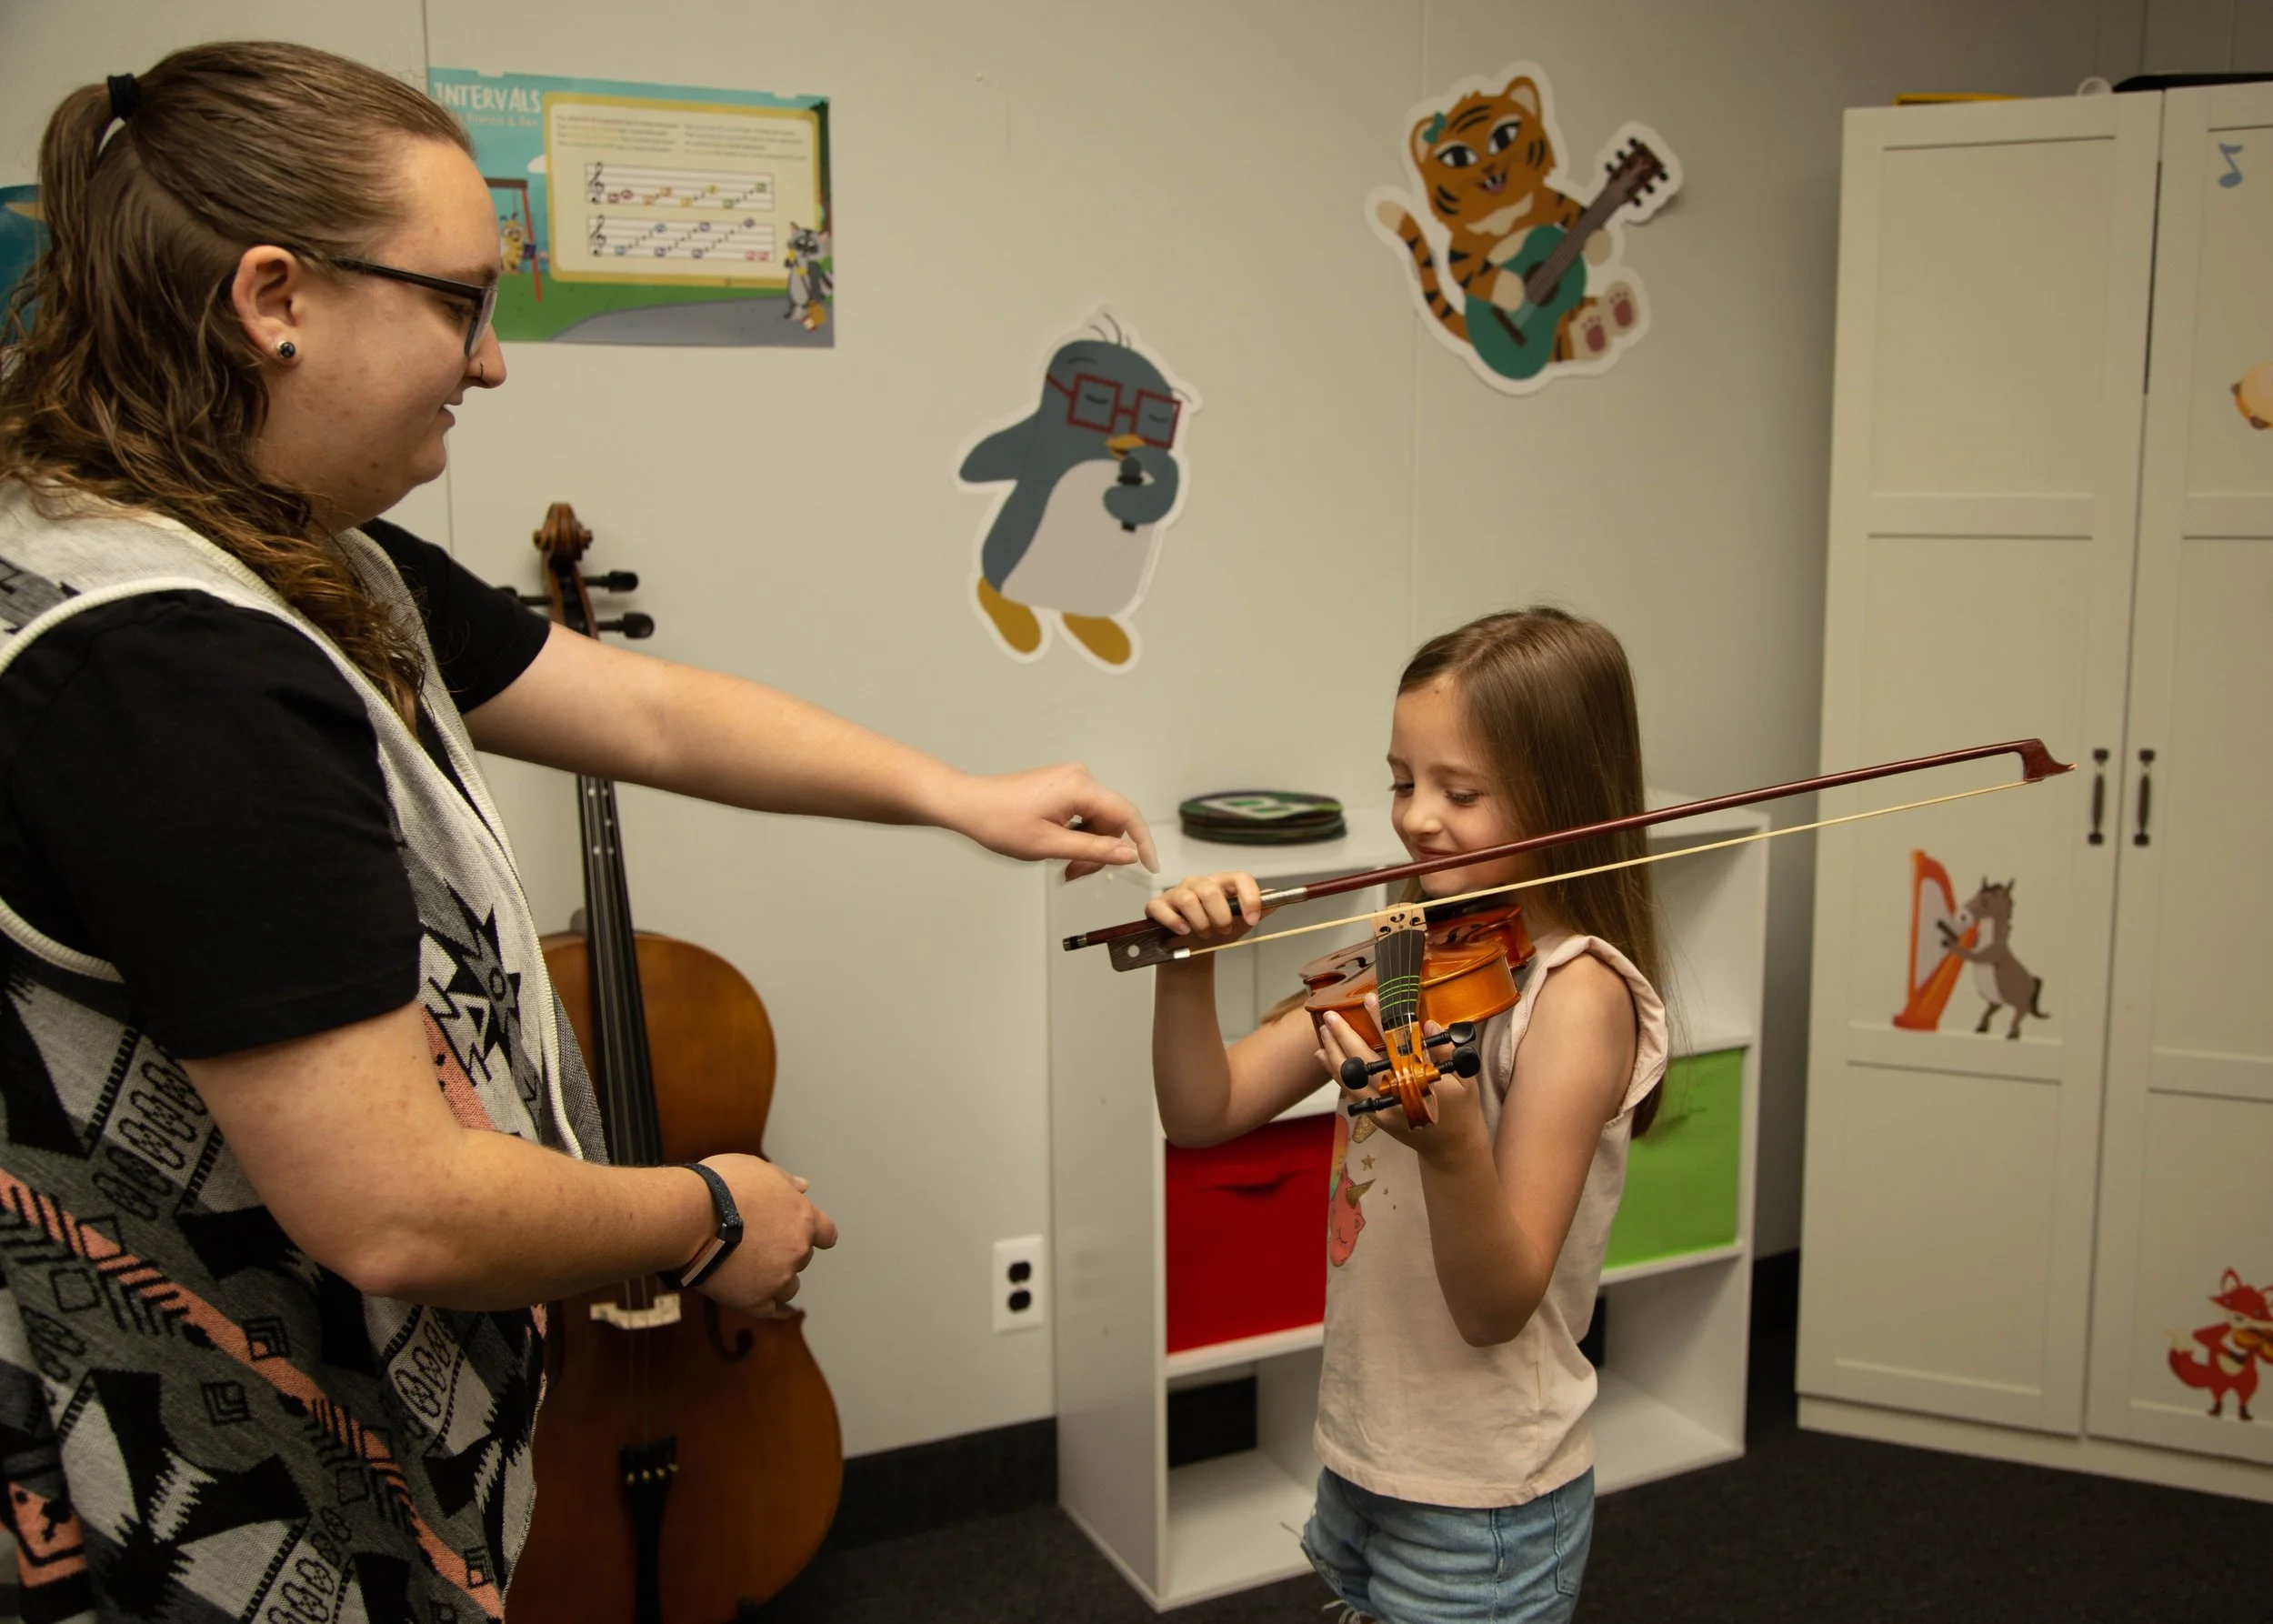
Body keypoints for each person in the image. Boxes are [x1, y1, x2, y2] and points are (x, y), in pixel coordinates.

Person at [0, 42, 1154, 1622]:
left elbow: (650, 713)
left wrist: (953, 794)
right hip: (225, 1502)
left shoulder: (270, 541)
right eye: (461, 303)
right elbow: (396, 1204)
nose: (490, 364)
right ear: (275, 297)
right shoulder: (171, 666)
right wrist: (716, 1214)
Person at [1147, 608, 1668, 1624]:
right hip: (1366, 1446)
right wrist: (1186, 969)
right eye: (1401, 779)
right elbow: (1202, 1111)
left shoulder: (1576, 998)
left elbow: (1494, 1306)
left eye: (1458, 791)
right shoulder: (1408, 953)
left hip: (1485, 1491)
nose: (1416, 817)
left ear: (1562, 791)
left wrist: (1452, 1148)